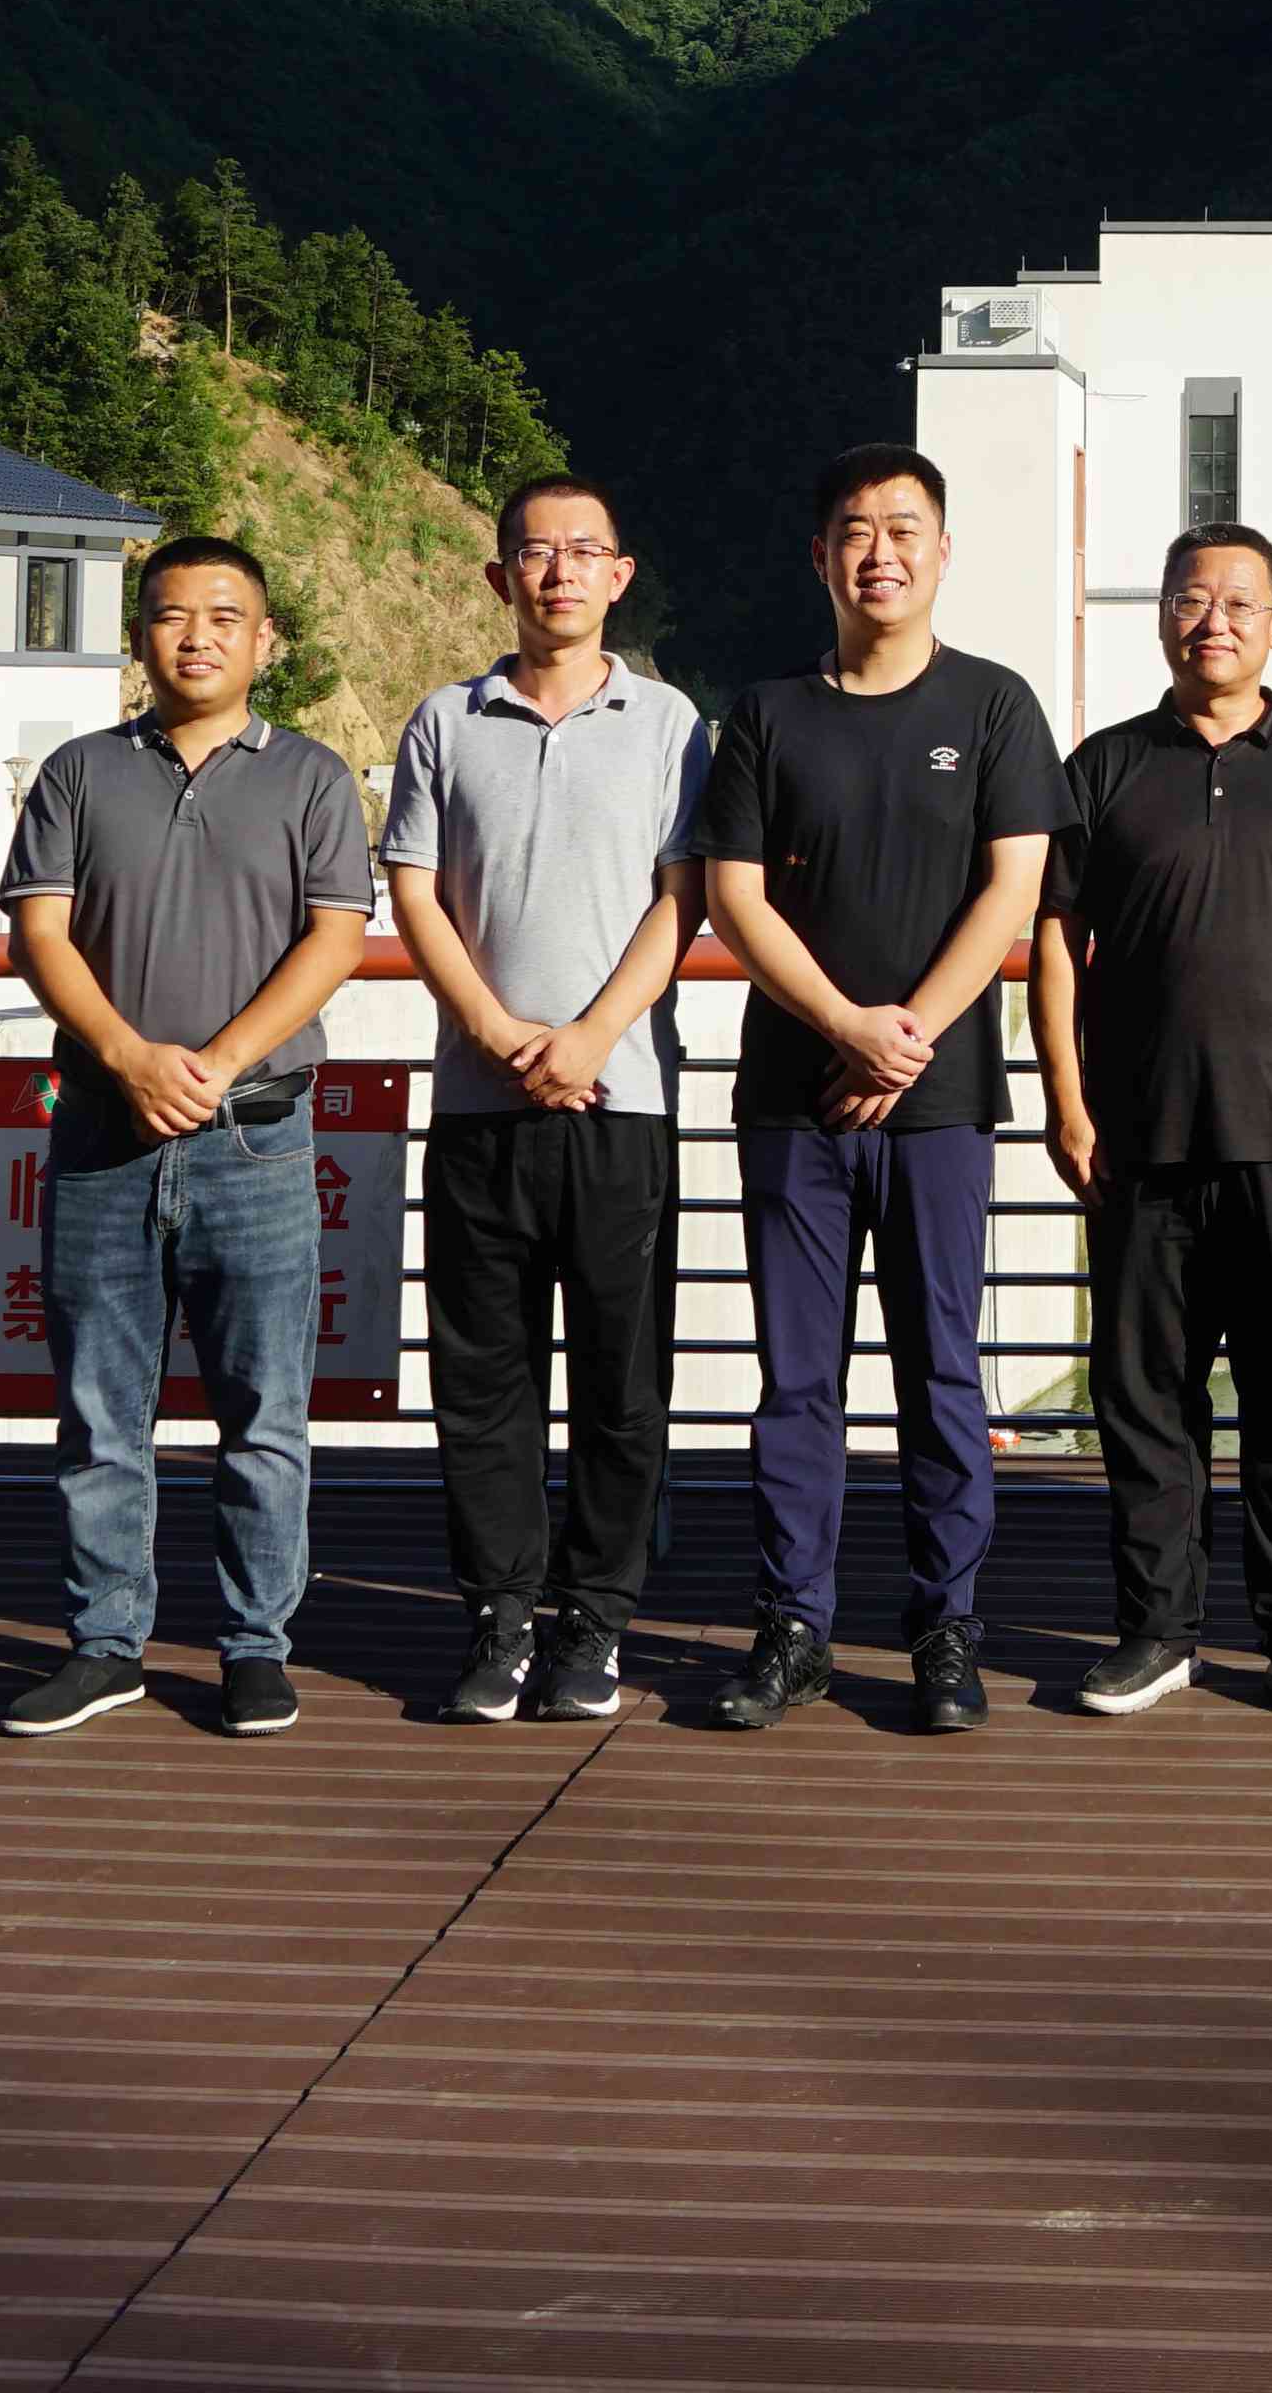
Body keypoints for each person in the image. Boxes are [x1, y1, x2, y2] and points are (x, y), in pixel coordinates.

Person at [687, 445, 1071, 1732]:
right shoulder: (766, 713)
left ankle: (944, 1628)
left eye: (906, 529)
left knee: (942, 1372)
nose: (881, 553)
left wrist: (905, 1038)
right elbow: (734, 895)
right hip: (792, 1097)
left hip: (942, 1102)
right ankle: (792, 1624)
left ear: (944, 551)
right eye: (856, 530)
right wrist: (845, 1025)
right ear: (821, 555)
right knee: (796, 1379)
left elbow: (1013, 887)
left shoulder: (995, 704)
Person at [0, 535, 380, 1740]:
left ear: (265, 641)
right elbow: (39, 933)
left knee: (264, 1412)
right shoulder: (80, 771)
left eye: (223, 616)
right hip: (102, 1130)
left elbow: (336, 936)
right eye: (171, 615)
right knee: (101, 1413)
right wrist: (129, 1057)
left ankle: (255, 1647)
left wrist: (213, 1064)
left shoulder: (312, 776)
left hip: (256, 1137)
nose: (196, 636)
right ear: (140, 637)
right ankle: (105, 1645)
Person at [1038, 524, 1272, 1721]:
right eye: (1194, 600)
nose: (1216, 622)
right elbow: (1057, 937)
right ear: (1162, 617)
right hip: (1138, 1136)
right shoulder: (1104, 766)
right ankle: (1158, 1630)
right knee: (1145, 1396)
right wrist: (1065, 1096)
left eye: (1241, 603)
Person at [384, 473, 709, 1729]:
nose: (560, 570)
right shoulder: (445, 718)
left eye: (585, 551)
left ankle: (597, 1620)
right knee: (484, 1381)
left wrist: (592, 1035)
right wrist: (494, 1027)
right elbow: (414, 890)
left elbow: (683, 897)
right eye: (535, 551)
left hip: (623, 1102)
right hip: (480, 1102)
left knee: (622, 1382)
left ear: (620, 575)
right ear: (499, 576)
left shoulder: (670, 721)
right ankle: (501, 1614)